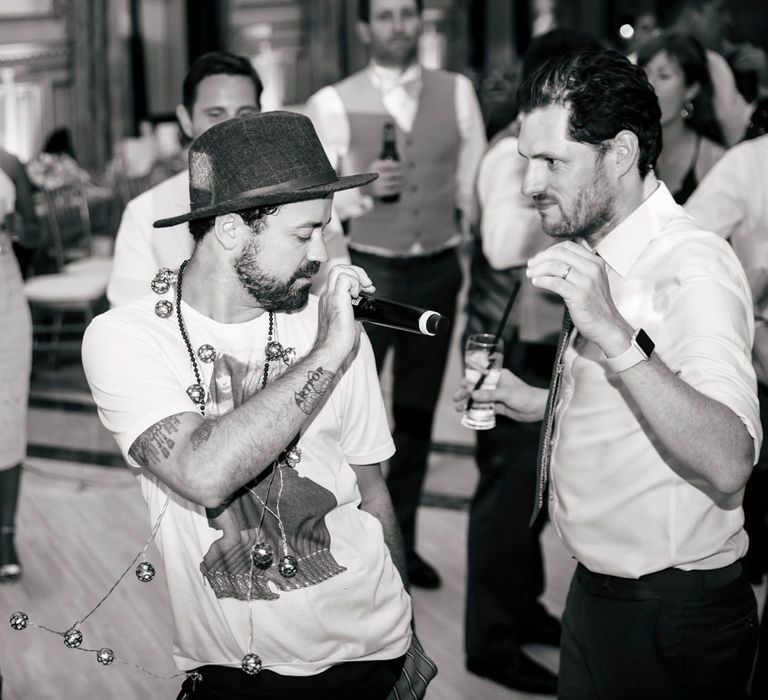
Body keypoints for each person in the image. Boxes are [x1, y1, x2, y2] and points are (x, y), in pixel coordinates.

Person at [83, 111, 421, 700]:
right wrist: (330, 347)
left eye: (324, 230)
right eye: (303, 233)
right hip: (237, 674)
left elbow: (372, 488)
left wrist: (406, 623)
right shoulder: (126, 338)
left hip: (375, 652)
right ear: (234, 230)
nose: (320, 254)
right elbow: (202, 473)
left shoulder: (330, 323)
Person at [457, 48, 761, 699]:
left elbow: (730, 459)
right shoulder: (604, 249)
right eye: (526, 160)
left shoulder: (691, 268)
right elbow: (640, 400)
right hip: (600, 595)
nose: (530, 184)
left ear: (621, 152)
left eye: (553, 162)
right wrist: (543, 401)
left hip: (671, 615)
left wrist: (617, 337)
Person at [305, 0, 486, 589]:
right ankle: (350, 546)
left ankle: (399, 535)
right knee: (349, 412)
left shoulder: (456, 91)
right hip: (369, 277)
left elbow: (472, 187)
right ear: (364, 27)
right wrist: (357, 210)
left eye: (406, 13)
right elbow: (317, 206)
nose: (398, 25)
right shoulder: (332, 103)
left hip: (437, 268)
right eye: (384, 15)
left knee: (414, 413)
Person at [463, 28, 600, 696]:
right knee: (506, 494)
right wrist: (558, 205)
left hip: (543, 336)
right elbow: (496, 246)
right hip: (506, 341)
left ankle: (522, 610)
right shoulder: (508, 157)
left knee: (537, 485)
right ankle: (489, 641)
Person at [638, 32, 725, 204]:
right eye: (645, 73)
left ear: (691, 89)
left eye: (664, 76)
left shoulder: (714, 160)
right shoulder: (628, 150)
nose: (650, 85)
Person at [654, 0, 756, 145]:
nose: (727, 19)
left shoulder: (714, 64)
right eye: (720, 10)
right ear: (694, 13)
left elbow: (742, 132)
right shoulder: (713, 65)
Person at [0, 156, 33, 584]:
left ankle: (5, 535)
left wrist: (10, 230)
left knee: (7, 418)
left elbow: (34, 230)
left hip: (3, 293)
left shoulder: (7, 163)